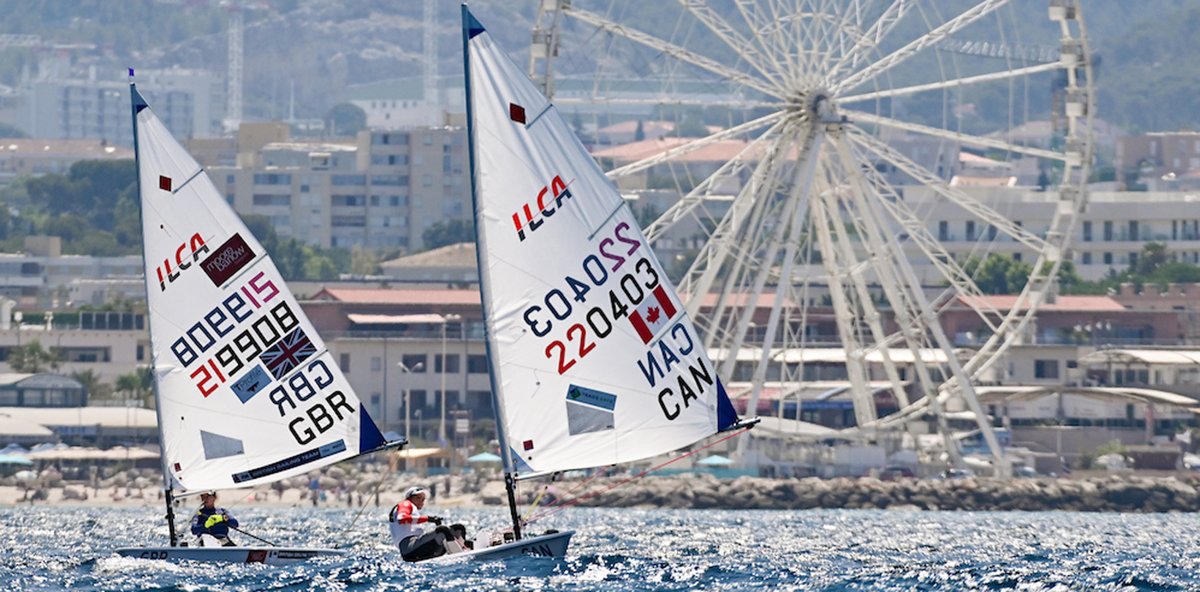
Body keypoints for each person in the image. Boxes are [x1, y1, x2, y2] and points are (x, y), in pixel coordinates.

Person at [389, 486, 469, 562]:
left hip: (413, 550)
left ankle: (465, 548)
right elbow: (402, 518)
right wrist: (428, 519)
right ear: (410, 498)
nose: (421, 501)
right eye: (418, 498)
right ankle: (462, 556)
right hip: (410, 549)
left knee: (457, 529)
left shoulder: (408, 507)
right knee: (442, 530)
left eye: (423, 499)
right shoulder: (406, 504)